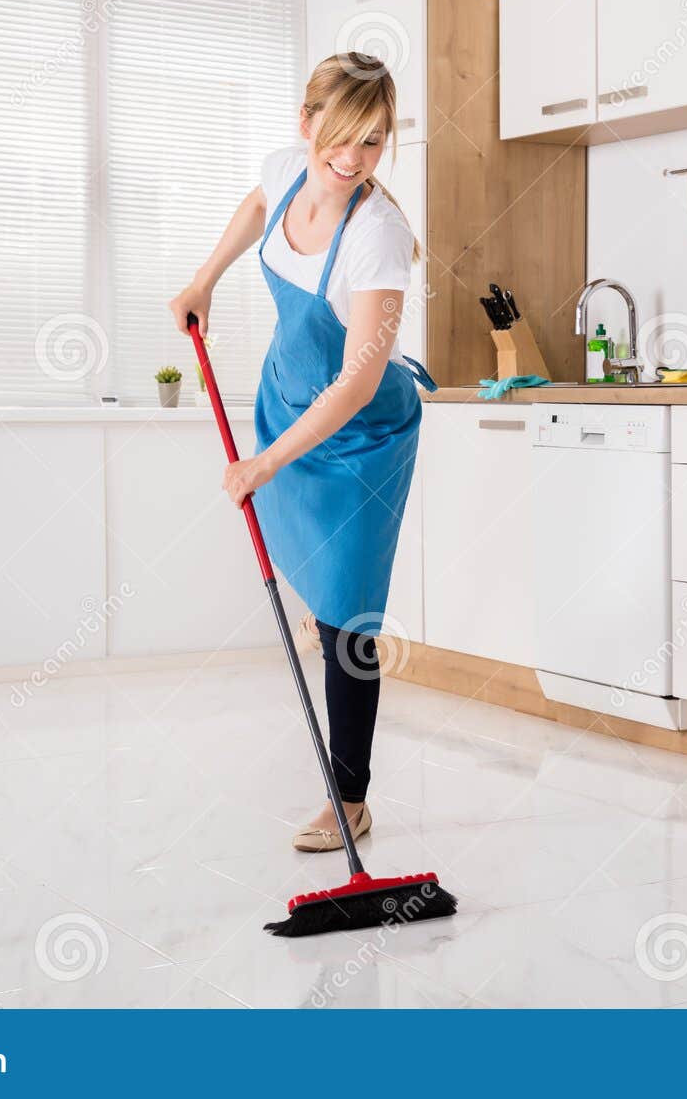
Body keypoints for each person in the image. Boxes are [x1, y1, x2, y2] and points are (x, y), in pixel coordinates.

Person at [169, 52, 435, 852]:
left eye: (375, 144)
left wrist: (266, 463)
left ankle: (348, 798)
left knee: (349, 616)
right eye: (342, 137)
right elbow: (258, 206)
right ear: (306, 121)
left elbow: (356, 382)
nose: (353, 160)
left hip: (358, 435)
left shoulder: (377, 235)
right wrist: (205, 278)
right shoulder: (286, 169)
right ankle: (329, 648)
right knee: (319, 599)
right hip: (287, 398)